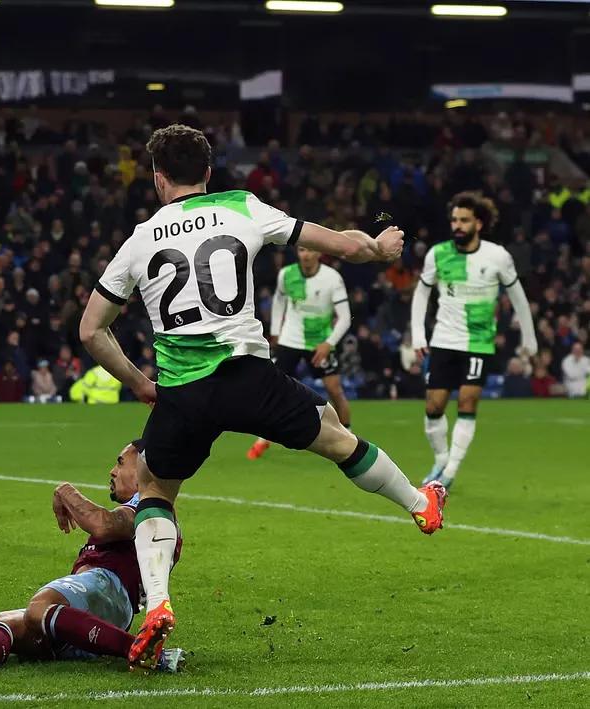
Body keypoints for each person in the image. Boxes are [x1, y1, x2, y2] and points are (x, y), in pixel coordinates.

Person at [79, 124, 446, 671]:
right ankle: (420, 505)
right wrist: (379, 247)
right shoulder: (241, 207)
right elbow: (344, 244)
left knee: (155, 489)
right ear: (208, 172)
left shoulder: (139, 239)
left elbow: (90, 330)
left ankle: (157, 605)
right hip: (248, 377)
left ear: (157, 178)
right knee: (336, 436)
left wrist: (139, 384)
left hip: (182, 391)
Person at [0, 440, 183, 674]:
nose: (112, 471)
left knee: (39, 608)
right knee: (2, 622)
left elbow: (103, 525)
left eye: (121, 463)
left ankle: (142, 650)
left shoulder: (148, 511)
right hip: (97, 613)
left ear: (144, 470)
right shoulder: (153, 518)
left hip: (108, 589)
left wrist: (65, 491)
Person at [412, 192, 537, 489]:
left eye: (464, 220)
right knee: (434, 406)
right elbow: (421, 293)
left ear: (478, 223)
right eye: (454, 220)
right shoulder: (437, 254)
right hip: (444, 339)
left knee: (467, 401)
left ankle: (450, 472)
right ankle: (441, 459)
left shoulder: (498, 257)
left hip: (478, 342)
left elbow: (518, 298)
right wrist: (418, 333)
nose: (457, 225)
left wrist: (529, 338)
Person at [248, 245, 351, 460]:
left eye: (310, 251)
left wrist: (329, 343)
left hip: (319, 342)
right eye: (302, 250)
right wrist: (276, 332)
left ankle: (349, 437)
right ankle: (262, 440)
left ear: (319, 253)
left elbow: (345, 317)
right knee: (272, 389)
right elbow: (279, 302)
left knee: (334, 390)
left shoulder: (333, 278)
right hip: (290, 339)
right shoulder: (287, 274)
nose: (306, 255)